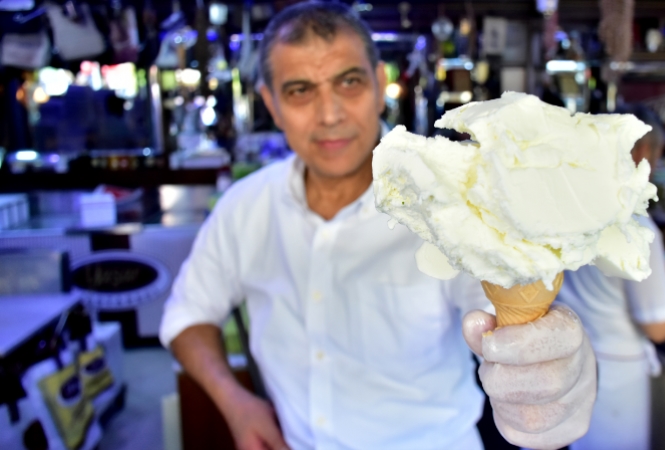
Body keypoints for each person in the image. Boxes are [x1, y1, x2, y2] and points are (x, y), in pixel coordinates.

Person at [158, 3, 596, 450]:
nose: (329, 114)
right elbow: (187, 315)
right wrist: (237, 403)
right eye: (299, 90)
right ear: (271, 102)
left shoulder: (449, 208)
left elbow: (519, 338)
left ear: (379, 83)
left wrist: (561, 370)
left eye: (349, 82)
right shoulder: (244, 208)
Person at [559, 105, 665, 450]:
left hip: (567, 365)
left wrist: (656, 271)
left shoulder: (570, 206)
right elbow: (658, 328)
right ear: (641, 151)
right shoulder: (635, 227)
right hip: (613, 378)